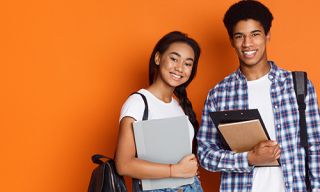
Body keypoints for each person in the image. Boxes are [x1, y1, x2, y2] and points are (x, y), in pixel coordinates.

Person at [197, 0, 320, 191]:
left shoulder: (298, 85)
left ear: (267, 36)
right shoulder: (219, 94)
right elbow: (204, 154)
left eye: (255, 34)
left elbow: (315, 147)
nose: (247, 44)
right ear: (231, 41)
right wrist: (248, 158)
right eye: (240, 36)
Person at [115, 31, 203, 192]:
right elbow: (123, 164)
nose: (179, 68)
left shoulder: (180, 106)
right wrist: (175, 170)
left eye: (187, 63)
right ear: (157, 58)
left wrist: (189, 169)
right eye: (174, 59)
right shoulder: (138, 103)